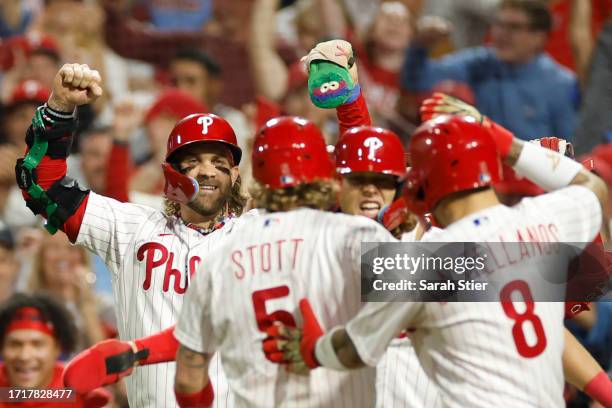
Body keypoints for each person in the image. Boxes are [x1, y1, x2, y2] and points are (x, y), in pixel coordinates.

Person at [265, 110, 609, 406]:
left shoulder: (426, 261)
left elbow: (351, 347)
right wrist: (509, 145)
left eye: (387, 181)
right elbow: (592, 188)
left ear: (416, 185)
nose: (374, 190)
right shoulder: (536, 221)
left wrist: (316, 350)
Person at [15, 63, 248, 407]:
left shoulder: (262, 232)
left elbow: (357, 232)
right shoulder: (132, 229)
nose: (207, 170)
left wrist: (349, 108)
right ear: (172, 172)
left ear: (236, 172)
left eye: (218, 160)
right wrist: (60, 107)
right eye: (193, 160)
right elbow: (42, 188)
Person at [173, 116, 395, 407]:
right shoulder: (353, 236)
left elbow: (189, 378)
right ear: (327, 174)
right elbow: (458, 276)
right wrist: (329, 349)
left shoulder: (218, 260)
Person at [401, 0, 577, 140]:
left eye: (514, 27)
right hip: (486, 173)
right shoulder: (482, 62)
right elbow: (417, 81)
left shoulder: (562, 84)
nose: (501, 34)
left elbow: (570, 149)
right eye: (498, 24)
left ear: (539, 37)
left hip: (535, 179)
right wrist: (419, 46)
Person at [0, 293, 110, 407]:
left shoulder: (82, 392)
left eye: (37, 344)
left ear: (57, 347)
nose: (24, 356)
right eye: (15, 344)